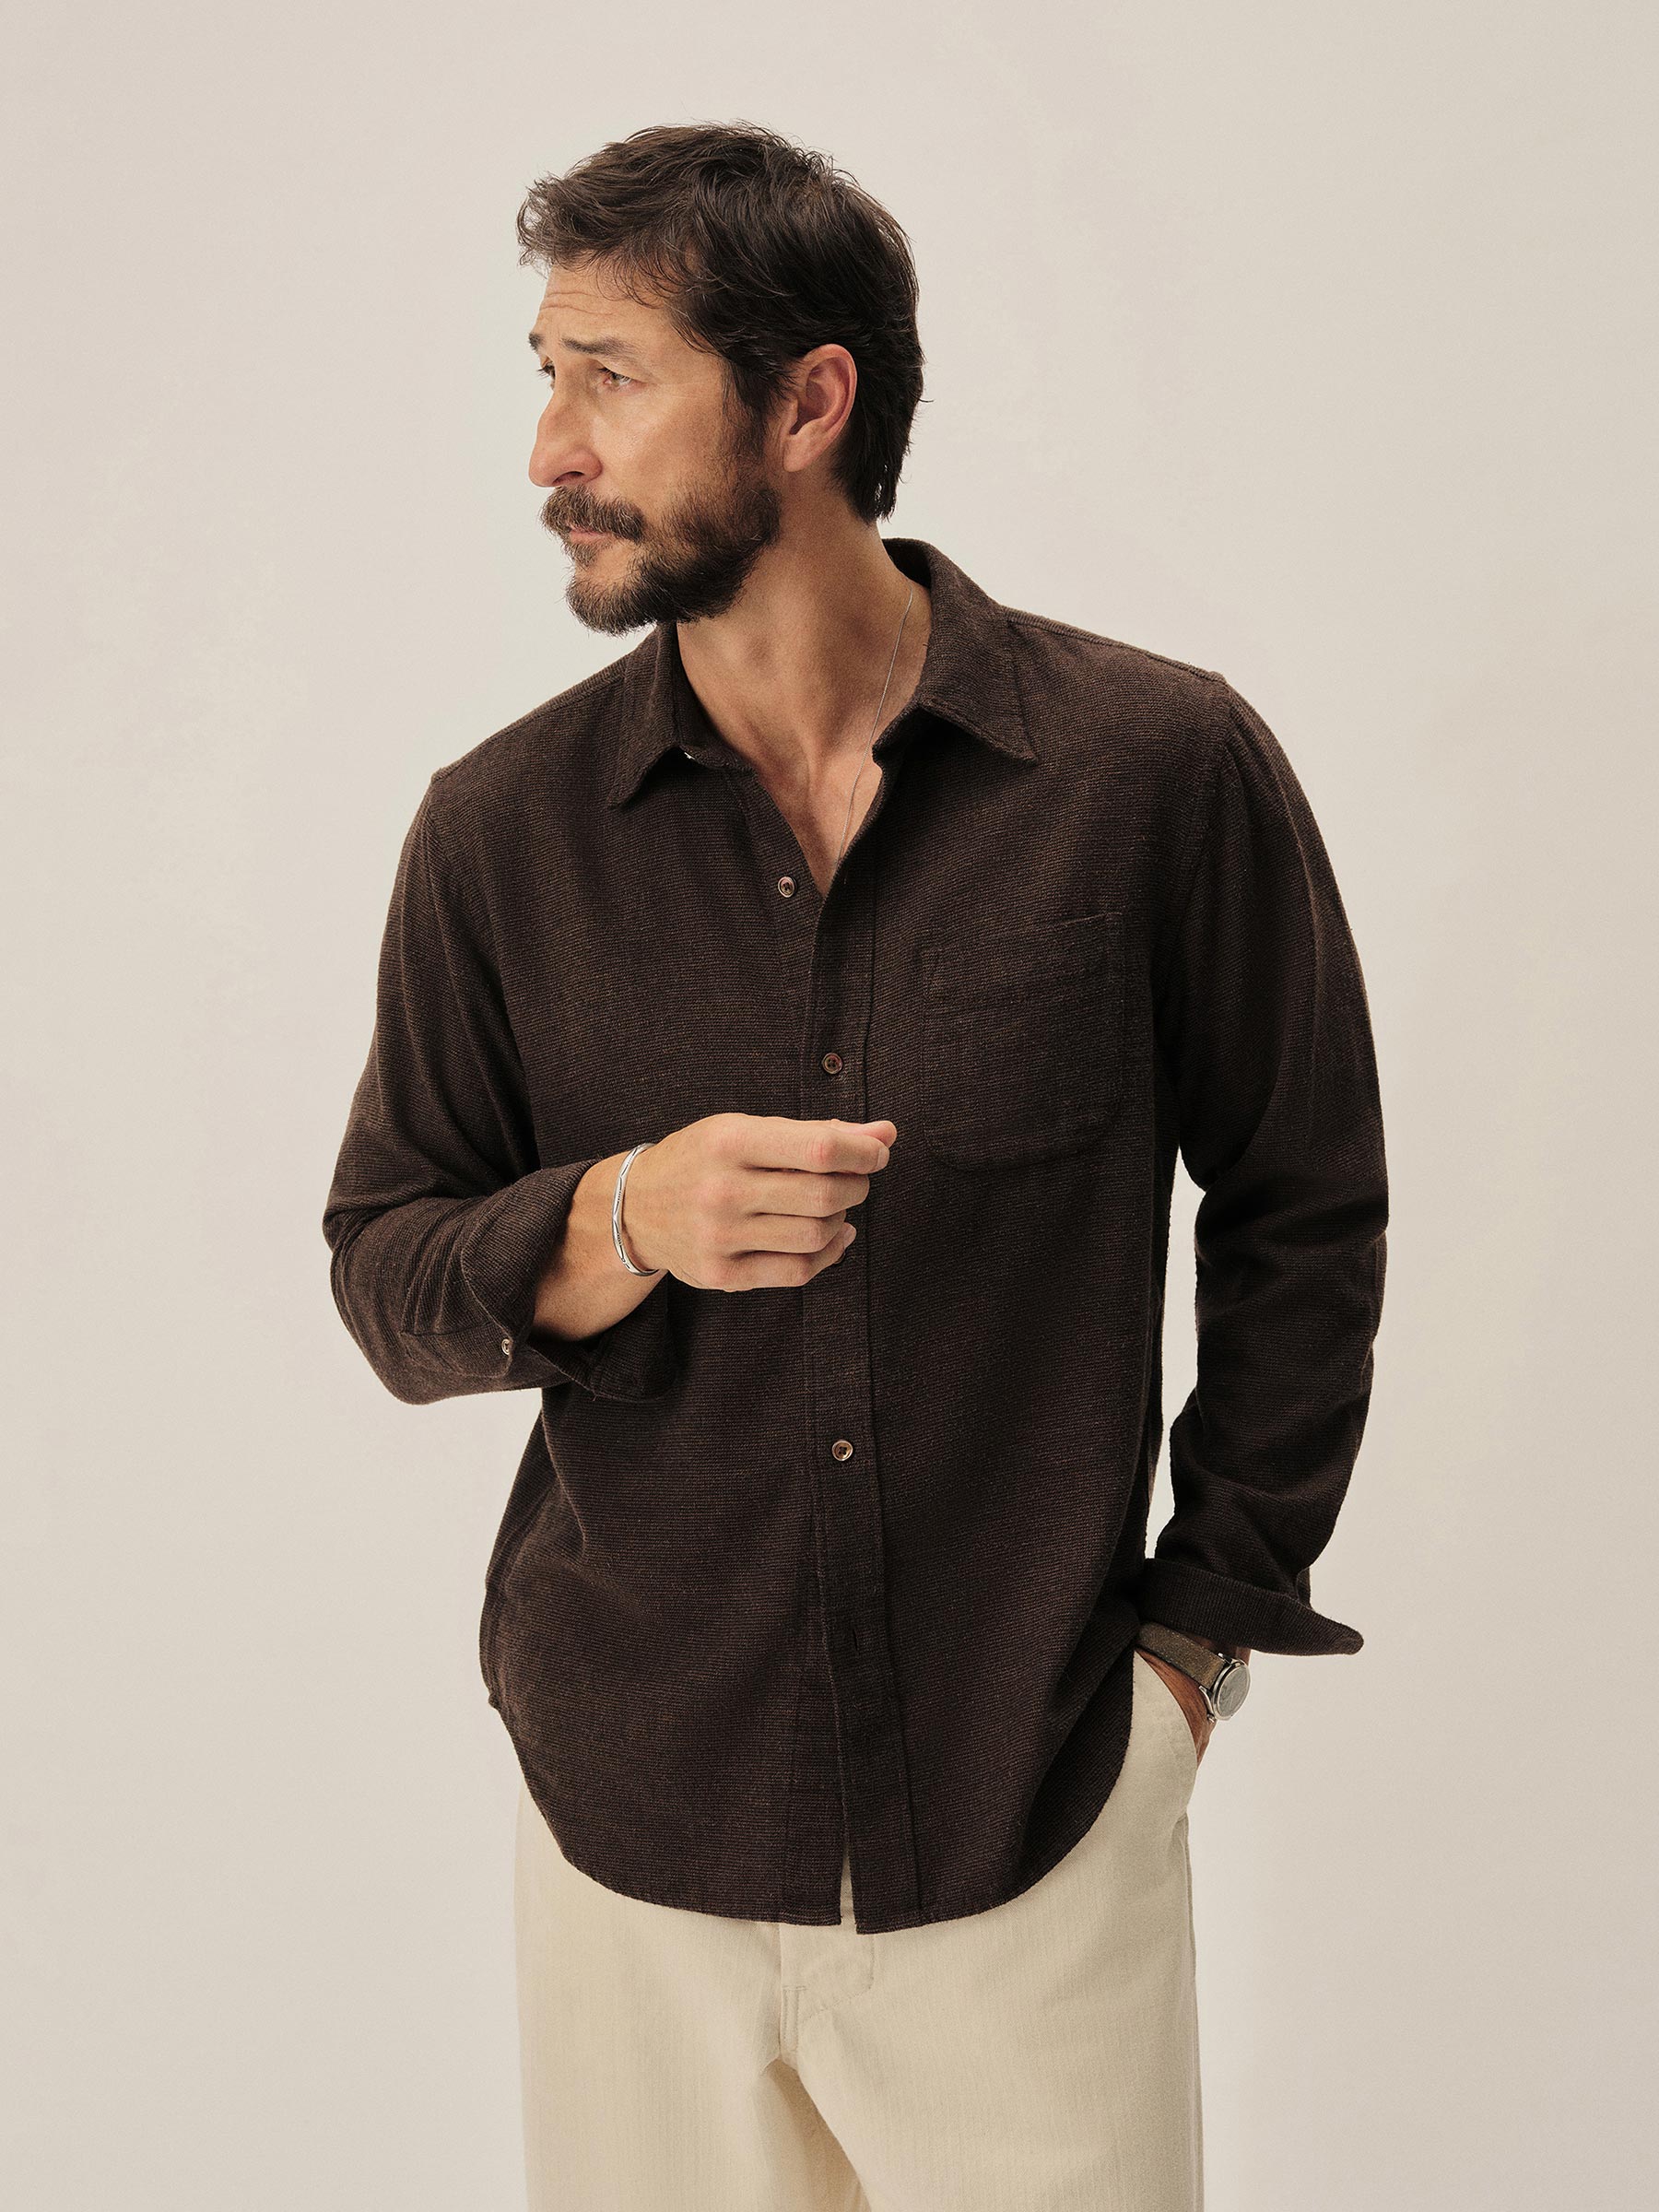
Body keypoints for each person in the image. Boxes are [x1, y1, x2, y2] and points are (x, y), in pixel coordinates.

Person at [322, 120, 1388, 2212]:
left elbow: (1304, 1209)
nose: (550, 449)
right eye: (546, 374)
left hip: (1034, 1816)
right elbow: (388, 1274)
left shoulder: (1154, 773)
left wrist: (1195, 1647)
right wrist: (621, 1214)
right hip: (633, 1828)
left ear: (809, 403)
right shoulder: (500, 835)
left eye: (611, 377)